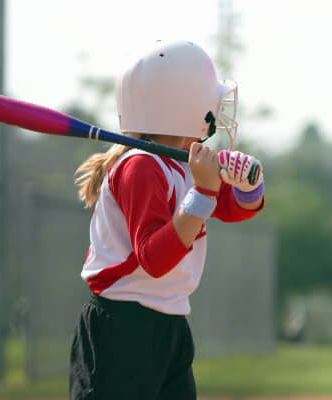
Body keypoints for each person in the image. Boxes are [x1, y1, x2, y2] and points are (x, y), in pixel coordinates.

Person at [68, 40, 265, 400]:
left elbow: (232, 208)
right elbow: (154, 259)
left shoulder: (182, 162)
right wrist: (203, 193)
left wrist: (249, 187)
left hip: (168, 323)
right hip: (122, 328)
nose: (216, 109)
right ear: (181, 105)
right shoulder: (141, 166)